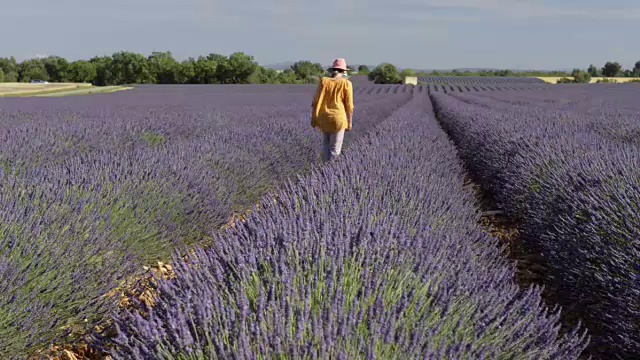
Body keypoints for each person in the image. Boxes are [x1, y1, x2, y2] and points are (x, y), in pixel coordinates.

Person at [311, 58, 355, 162]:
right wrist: (349, 122)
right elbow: (349, 106)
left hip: (324, 117)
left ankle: (324, 172)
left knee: (326, 146)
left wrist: (313, 118)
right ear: (344, 71)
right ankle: (331, 173)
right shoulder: (346, 84)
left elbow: (315, 101)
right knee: (335, 149)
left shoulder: (324, 81)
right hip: (338, 119)